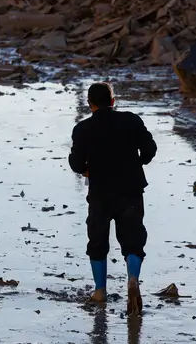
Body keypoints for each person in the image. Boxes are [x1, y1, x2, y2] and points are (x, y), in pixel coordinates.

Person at [68, 82, 157, 316]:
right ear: (113, 101)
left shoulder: (83, 129)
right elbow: (150, 149)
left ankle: (100, 291)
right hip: (131, 190)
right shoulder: (132, 120)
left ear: (90, 104)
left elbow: (76, 164)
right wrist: (138, 162)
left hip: (100, 193)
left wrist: (87, 169)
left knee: (97, 242)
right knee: (133, 240)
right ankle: (133, 279)